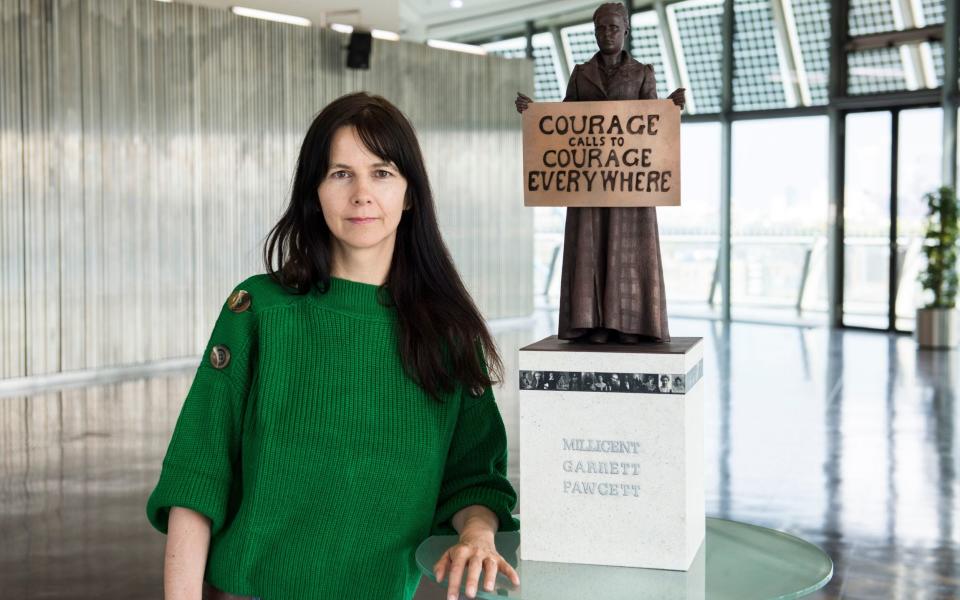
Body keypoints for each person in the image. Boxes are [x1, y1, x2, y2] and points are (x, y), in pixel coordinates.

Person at [146, 92, 520, 600]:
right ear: (315, 191)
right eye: (340, 173)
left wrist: (478, 533)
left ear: (410, 193)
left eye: (382, 172)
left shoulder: (449, 334)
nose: (362, 194)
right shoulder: (258, 309)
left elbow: (474, 479)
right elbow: (198, 473)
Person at [515, 2, 685, 344]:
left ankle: (630, 324)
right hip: (589, 183)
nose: (605, 34)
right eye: (599, 29)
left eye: (612, 28)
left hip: (628, 185)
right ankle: (590, 323)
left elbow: (650, 124)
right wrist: (535, 113)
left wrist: (670, 106)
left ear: (625, 31)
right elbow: (564, 125)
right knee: (589, 249)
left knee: (628, 250)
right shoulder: (581, 74)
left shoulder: (641, 73)